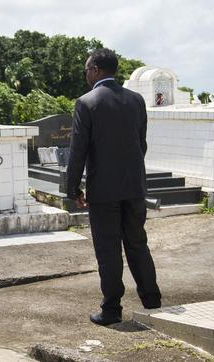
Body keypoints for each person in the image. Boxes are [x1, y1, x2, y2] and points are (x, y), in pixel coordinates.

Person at [66, 48, 162, 326]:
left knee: (108, 251)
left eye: (86, 69)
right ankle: (152, 300)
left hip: (103, 191)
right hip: (134, 187)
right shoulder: (136, 100)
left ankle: (111, 310)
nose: (86, 74)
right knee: (137, 244)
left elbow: (78, 151)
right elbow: (140, 143)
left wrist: (73, 190)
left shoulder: (86, 102)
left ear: (95, 69)